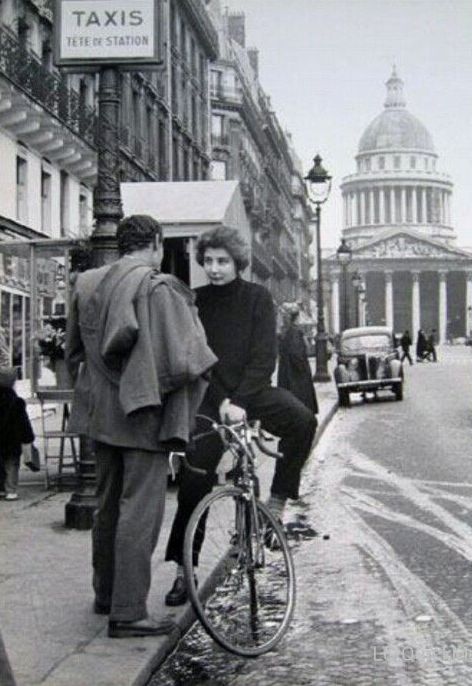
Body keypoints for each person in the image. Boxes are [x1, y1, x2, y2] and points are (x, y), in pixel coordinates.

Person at [65, 215, 217, 638]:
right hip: (143, 413)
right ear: (155, 243)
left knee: (107, 503)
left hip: (100, 413)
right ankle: (129, 612)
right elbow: (189, 360)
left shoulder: (87, 282)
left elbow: (73, 351)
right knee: (140, 512)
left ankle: (106, 593)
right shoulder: (158, 286)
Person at [164, 226, 317, 606]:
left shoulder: (258, 299)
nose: (215, 269)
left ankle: (278, 504)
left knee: (303, 421)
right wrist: (220, 401)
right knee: (194, 480)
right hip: (210, 398)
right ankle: (185, 569)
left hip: (253, 392)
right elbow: (196, 360)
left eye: (223, 261)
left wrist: (241, 401)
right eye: (210, 261)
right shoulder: (194, 302)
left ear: (237, 263)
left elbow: (264, 357)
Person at [0, 366, 35, 501]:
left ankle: (1, 488)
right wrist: (28, 438)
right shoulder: (17, 402)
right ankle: (11, 490)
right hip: (12, 441)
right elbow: (23, 423)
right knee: (12, 465)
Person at [277, 303, 318, 414]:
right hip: (296, 376)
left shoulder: (287, 332)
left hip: (287, 372)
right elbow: (296, 354)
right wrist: (302, 368)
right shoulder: (295, 332)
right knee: (299, 401)